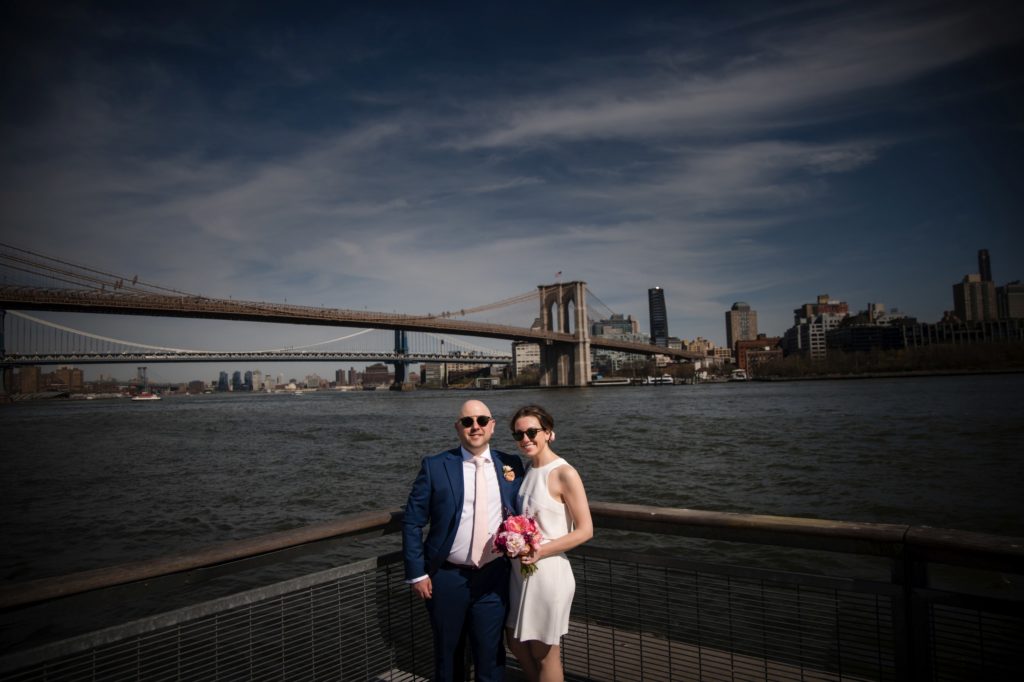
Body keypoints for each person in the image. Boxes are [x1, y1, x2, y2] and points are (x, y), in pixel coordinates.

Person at [402, 399, 526, 681]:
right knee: (449, 655)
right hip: (447, 577)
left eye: (482, 420)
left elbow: (527, 505)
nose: (475, 427)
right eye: (467, 422)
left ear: (492, 426)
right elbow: (412, 521)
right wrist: (417, 573)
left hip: (494, 577)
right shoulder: (435, 466)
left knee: (491, 654)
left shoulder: (511, 465)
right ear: (457, 428)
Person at [505, 405, 593, 682]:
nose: (526, 439)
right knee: (516, 643)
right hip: (521, 573)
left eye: (533, 432)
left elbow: (585, 530)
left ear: (549, 433)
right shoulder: (526, 471)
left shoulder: (564, 472)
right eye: (519, 434)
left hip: (549, 572)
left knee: (545, 653)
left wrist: (540, 550)